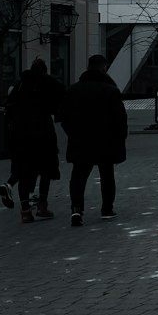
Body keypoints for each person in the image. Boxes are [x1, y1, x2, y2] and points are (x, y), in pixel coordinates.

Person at [61, 53, 128, 226]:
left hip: (80, 140)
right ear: (104, 67)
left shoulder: (73, 90)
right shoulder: (110, 90)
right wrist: (119, 138)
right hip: (105, 140)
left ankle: (76, 209)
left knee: (78, 176)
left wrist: (73, 133)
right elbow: (120, 118)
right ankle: (107, 208)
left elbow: (64, 117)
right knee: (106, 174)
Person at [4, 57, 64, 224]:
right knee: (46, 169)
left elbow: (8, 107)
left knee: (24, 171)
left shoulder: (19, 85)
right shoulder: (48, 83)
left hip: (20, 134)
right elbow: (61, 98)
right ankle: (42, 207)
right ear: (44, 70)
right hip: (43, 133)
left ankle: (25, 211)